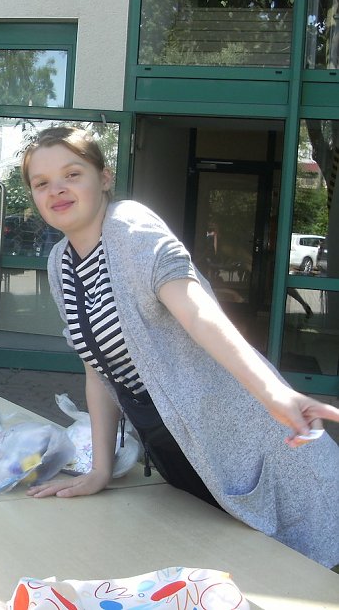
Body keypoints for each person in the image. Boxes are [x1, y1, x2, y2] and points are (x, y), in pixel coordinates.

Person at [21, 126, 339, 568]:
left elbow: (198, 313)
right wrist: (101, 468)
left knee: (297, 570)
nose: (57, 189)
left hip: (242, 439)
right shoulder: (60, 263)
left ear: (104, 177)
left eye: (72, 174)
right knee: (214, 566)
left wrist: (276, 395)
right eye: (42, 182)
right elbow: (98, 370)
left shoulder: (132, 229)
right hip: (171, 444)